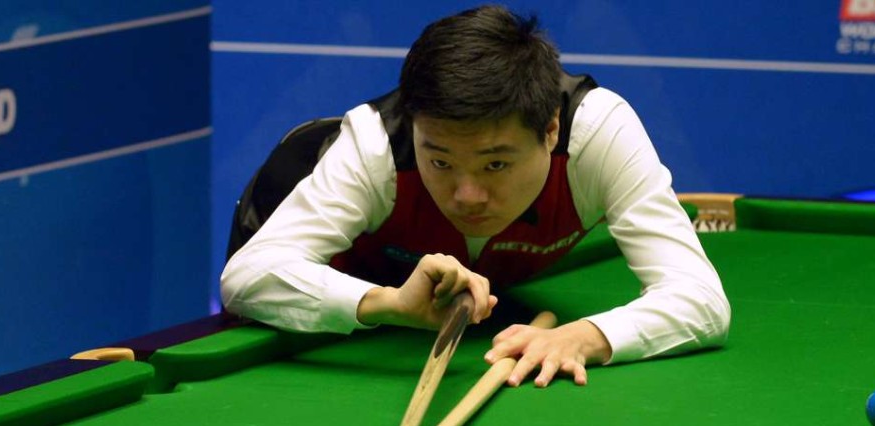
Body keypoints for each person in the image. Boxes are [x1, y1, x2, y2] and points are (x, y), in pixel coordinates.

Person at [220, 5, 730, 388]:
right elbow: (249, 276)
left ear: (550, 129)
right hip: (319, 275)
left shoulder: (597, 134)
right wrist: (389, 303)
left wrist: (585, 336)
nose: (467, 194)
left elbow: (701, 300)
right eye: (440, 161)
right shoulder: (375, 146)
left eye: (495, 164)